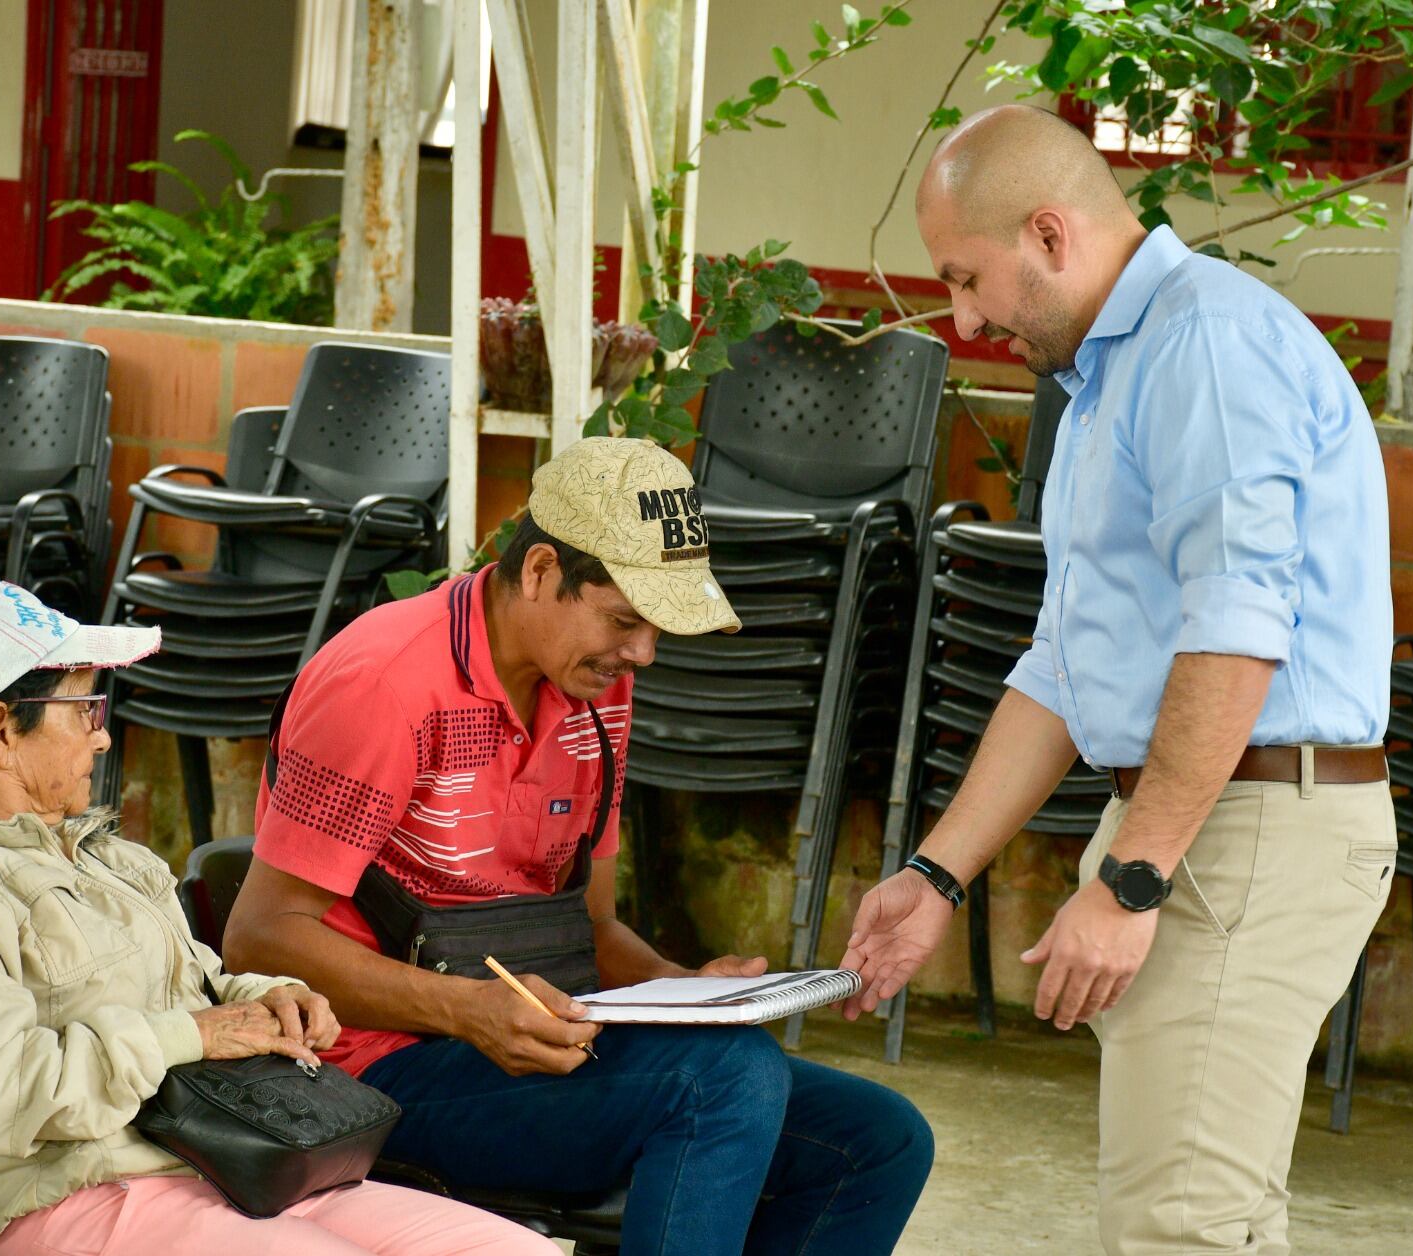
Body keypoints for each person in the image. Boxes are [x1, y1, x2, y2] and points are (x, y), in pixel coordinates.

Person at [842, 105, 1395, 1255]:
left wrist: (1134, 877)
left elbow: (1237, 628)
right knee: (1207, 1217)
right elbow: (1064, 661)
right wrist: (935, 875)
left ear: (1049, 232)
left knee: (1179, 1227)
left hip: (1244, 821)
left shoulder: (1204, 345)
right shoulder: (1110, 376)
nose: (964, 317)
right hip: (1211, 811)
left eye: (965, 277)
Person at [225, 437, 935, 1256]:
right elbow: (261, 933)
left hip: (539, 1039)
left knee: (878, 1138)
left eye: (654, 628)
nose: (642, 653)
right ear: (538, 574)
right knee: (724, 1083)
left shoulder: (596, 687)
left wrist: (684, 992)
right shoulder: (383, 684)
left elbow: (590, 929)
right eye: (624, 619)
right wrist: (469, 1012)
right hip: (373, 1069)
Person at [0, 580, 556, 1256]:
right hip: (79, 1195)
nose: (101, 740)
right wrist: (190, 1035)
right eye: (83, 711)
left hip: (236, 1166)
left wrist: (269, 1000)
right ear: (1, 729)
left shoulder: (111, 861)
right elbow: (4, 1092)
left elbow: (204, 990)